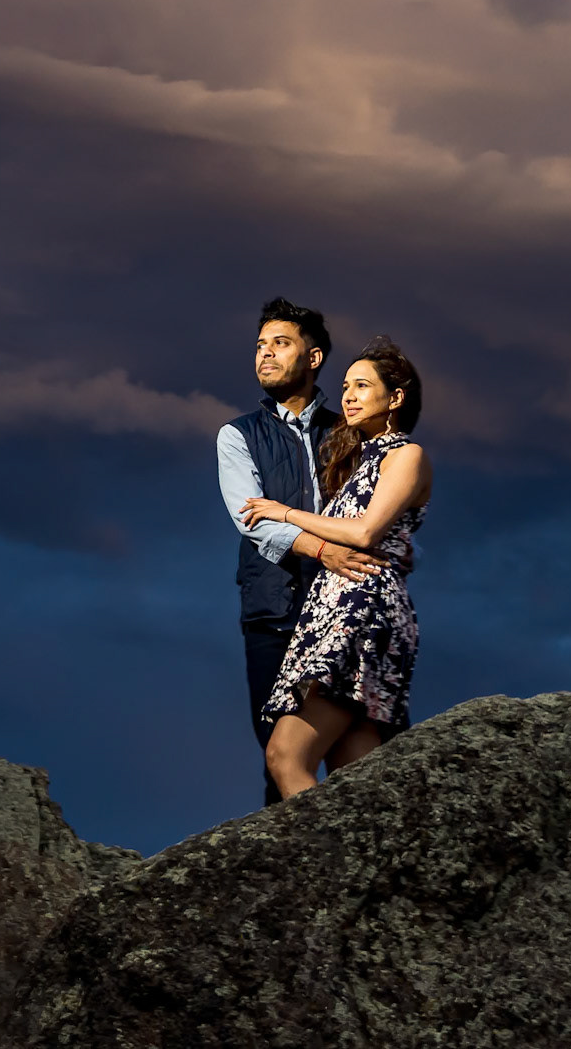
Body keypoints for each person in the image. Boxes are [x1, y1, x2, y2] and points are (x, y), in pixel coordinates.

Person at [241, 336, 430, 799]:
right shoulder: (358, 461)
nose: (347, 395)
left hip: (361, 612)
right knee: (355, 782)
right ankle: (367, 869)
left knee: (286, 755)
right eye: (345, 385)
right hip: (339, 607)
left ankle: (319, 869)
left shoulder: (407, 454)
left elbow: (366, 534)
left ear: (396, 398)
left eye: (362, 386)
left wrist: (281, 511)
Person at [217, 298, 387, 806]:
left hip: (343, 614)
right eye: (260, 346)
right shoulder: (238, 435)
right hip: (273, 616)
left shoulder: (352, 434)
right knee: (280, 757)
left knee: (361, 757)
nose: (265, 355)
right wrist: (321, 548)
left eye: (280, 343)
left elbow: (376, 516)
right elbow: (250, 519)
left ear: (313, 359)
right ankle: (292, 878)